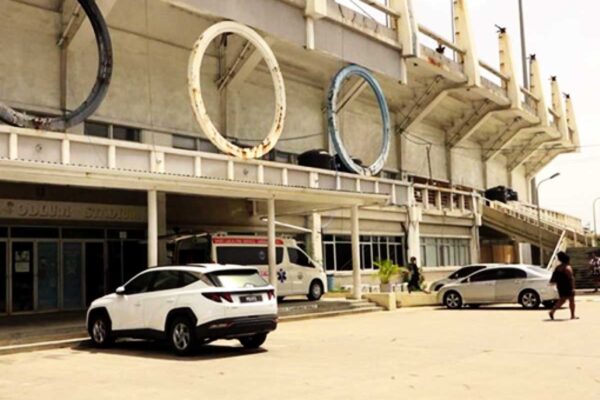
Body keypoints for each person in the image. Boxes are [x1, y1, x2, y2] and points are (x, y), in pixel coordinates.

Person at [549, 251, 577, 320]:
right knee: (571, 300)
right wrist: (573, 288)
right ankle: (572, 315)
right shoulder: (567, 268)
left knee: (562, 300)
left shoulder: (558, 267)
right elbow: (571, 278)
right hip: (568, 286)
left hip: (560, 286)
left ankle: (552, 311)